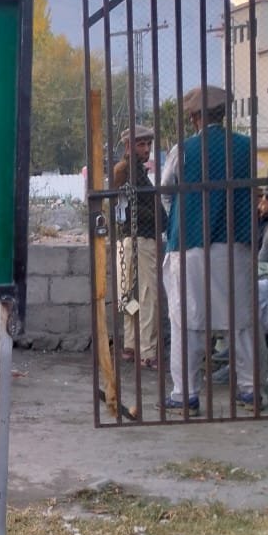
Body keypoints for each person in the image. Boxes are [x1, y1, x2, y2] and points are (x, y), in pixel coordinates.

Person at [161, 84, 260, 413]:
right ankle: (251, 389)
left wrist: (180, 217)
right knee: (242, 319)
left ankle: (185, 394)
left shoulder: (184, 150)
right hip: (236, 245)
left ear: (193, 118)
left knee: (187, 321)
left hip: (190, 245)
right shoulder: (246, 147)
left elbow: (165, 191)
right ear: (224, 114)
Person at [112, 125, 159, 367]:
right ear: (129, 146)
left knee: (128, 295)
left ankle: (131, 344)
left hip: (126, 240)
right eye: (141, 144)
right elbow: (134, 209)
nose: (147, 149)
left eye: (148, 144)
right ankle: (147, 352)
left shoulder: (125, 171)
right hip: (141, 239)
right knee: (147, 294)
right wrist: (158, 215)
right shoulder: (132, 172)